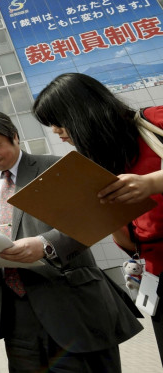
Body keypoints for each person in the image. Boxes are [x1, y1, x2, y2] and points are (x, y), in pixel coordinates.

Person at [0, 110, 142, 372]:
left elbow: (91, 220)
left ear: (14, 136)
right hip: (16, 313)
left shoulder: (56, 167)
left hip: (70, 305)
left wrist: (45, 245)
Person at [32, 71, 163, 364]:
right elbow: (132, 243)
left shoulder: (155, 122)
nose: (56, 131)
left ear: (81, 111)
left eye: (57, 121)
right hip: (157, 276)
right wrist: (105, 215)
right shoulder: (100, 165)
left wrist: (151, 183)